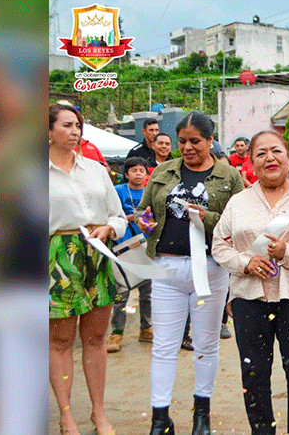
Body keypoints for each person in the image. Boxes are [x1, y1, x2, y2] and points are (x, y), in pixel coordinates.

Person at [212, 130, 289, 434]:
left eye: (276, 151)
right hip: (249, 299)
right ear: (251, 162)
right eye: (261, 153)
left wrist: (287, 251)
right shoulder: (239, 202)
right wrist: (246, 262)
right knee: (254, 373)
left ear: (288, 158)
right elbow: (219, 245)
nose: (270, 158)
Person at [135, 110, 243, 435]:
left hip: (210, 270)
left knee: (206, 345)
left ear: (210, 141)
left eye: (195, 141)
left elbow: (238, 223)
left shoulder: (229, 176)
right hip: (166, 268)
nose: (187, 147)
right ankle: (159, 419)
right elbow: (144, 210)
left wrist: (205, 218)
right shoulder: (163, 171)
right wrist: (143, 221)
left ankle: (201, 416)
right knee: (164, 347)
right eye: (182, 141)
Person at [49, 103, 127, 435]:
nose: (75, 131)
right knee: (61, 340)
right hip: (58, 257)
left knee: (95, 338)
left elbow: (119, 215)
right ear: (48, 130)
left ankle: (99, 413)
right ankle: (66, 415)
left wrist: (110, 229)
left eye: (78, 125)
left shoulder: (96, 169)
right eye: (67, 125)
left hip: (98, 254)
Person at [106, 156, 153, 353]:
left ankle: (146, 329)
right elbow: (111, 214)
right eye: (134, 170)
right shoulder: (118, 191)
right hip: (122, 246)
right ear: (126, 174)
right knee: (122, 293)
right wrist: (133, 217)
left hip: (144, 246)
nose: (138, 174)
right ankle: (116, 333)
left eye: (141, 170)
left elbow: (153, 215)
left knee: (147, 293)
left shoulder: (149, 192)